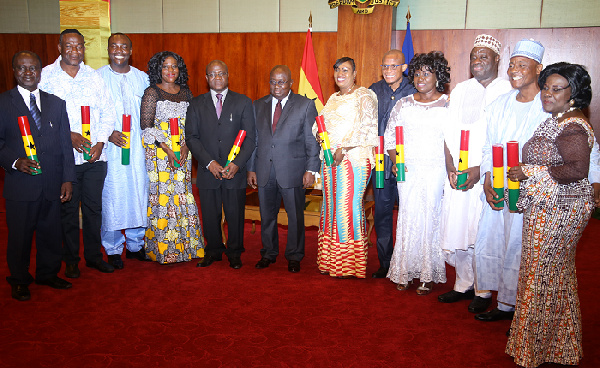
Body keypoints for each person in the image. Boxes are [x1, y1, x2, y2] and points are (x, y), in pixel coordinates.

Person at [473, 39, 600, 322]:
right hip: (499, 185)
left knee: (522, 250)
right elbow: (487, 146)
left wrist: (595, 181)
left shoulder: (550, 106)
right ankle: (504, 303)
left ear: (538, 68)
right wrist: (486, 178)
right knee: (493, 242)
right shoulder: (498, 104)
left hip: (537, 195)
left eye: (523, 65)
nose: (515, 70)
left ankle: (520, 308)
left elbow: (583, 151)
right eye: (512, 64)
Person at [505, 63, 596, 368]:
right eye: (546, 87)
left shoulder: (572, 126)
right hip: (546, 206)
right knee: (552, 275)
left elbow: (576, 170)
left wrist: (528, 171)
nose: (547, 93)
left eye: (557, 89)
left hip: (561, 210)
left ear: (575, 93)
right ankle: (559, 346)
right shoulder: (557, 119)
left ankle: (535, 349)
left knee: (541, 274)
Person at [437, 35, 512, 312]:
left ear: (496, 60)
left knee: (481, 232)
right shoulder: (460, 89)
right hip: (457, 173)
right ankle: (463, 285)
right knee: (458, 227)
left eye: (484, 56)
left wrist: (479, 170)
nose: (477, 61)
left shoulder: (507, 90)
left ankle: (484, 290)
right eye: (474, 57)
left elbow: (502, 139)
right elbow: (447, 132)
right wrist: (449, 167)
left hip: (487, 175)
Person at [39, 29, 116, 277]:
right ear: (60, 47)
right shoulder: (46, 77)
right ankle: (71, 259)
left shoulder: (94, 77)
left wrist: (101, 142)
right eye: (69, 46)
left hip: (94, 157)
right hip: (63, 159)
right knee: (68, 211)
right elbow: (37, 116)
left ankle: (93, 256)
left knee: (94, 209)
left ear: (84, 48)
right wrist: (67, 136)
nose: (75, 51)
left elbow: (108, 112)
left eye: (79, 46)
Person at [0, 51, 75, 300]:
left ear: (40, 71)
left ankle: (48, 273)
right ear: (14, 71)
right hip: (21, 184)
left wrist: (67, 178)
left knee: (51, 232)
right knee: (20, 236)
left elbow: (65, 143)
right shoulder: (3, 103)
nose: (28, 72)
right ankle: (19, 279)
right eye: (22, 68)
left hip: (53, 182)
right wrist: (14, 161)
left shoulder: (56, 103)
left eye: (32, 68)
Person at [384, 51, 451, 295]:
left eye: (427, 73)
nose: (421, 77)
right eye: (417, 73)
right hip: (408, 169)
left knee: (429, 219)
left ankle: (427, 274)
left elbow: (452, 142)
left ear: (438, 76)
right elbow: (391, 136)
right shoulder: (403, 103)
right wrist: (396, 161)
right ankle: (404, 270)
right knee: (407, 217)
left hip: (435, 169)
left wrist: (452, 169)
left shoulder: (448, 104)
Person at [247, 65, 320, 273]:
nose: (277, 86)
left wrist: (311, 169)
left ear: (291, 83)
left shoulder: (305, 105)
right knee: (267, 215)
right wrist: (251, 168)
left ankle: (294, 255)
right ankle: (269, 253)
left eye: (281, 81)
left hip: (293, 170)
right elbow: (255, 140)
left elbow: (311, 141)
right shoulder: (258, 105)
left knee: (295, 215)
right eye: (273, 81)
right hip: (264, 170)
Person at [186, 60, 256, 270]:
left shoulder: (243, 102)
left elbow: (251, 138)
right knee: (209, 214)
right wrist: (209, 163)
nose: (217, 78)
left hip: (235, 171)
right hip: (209, 172)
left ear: (228, 76)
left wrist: (237, 164)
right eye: (212, 74)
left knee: (235, 214)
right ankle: (214, 251)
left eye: (221, 73)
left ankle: (235, 252)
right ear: (206, 78)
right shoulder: (196, 104)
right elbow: (191, 137)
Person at [314, 57, 378, 279]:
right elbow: (318, 124)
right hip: (330, 159)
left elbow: (368, 126)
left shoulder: (365, 95)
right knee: (330, 208)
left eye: (345, 70)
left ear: (354, 73)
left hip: (354, 158)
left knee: (345, 207)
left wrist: (343, 148)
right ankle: (331, 261)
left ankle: (350, 265)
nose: (340, 73)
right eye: (337, 70)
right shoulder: (332, 98)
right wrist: (323, 141)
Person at [140, 51, 203, 264]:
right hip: (160, 152)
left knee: (182, 193)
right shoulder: (151, 92)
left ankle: (187, 246)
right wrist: (167, 148)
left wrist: (186, 145)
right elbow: (146, 127)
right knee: (164, 196)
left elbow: (194, 124)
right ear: (158, 69)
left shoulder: (185, 92)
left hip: (184, 149)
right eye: (166, 66)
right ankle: (164, 249)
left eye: (174, 66)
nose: (170, 71)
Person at [97, 33, 149, 269]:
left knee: (138, 192)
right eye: (114, 46)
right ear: (108, 49)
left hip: (137, 150)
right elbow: (89, 112)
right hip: (111, 150)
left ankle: (136, 245)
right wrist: (107, 133)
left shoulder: (142, 78)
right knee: (113, 196)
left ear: (131, 50)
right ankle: (113, 247)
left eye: (124, 46)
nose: (119, 50)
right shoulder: (97, 78)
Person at [368, 49, 416, 279]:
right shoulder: (373, 91)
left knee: (410, 216)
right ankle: (385, 263)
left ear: (404, 68)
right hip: (381, 165)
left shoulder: (416, 89)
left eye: (393, 66)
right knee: (382, 216)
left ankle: (408, 262)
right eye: (384, 66)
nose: (388, 71)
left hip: (408, 164)